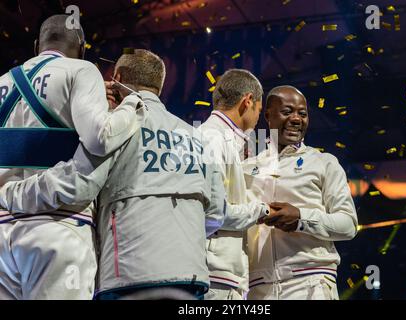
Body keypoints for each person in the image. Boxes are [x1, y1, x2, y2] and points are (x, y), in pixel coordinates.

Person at [0, 49, 226, 300]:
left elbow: (77, 184)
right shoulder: (198, 138)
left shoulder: (117, 126)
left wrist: (11, 193)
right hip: (190, 278)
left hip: (128, 277)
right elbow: (216, 213)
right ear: (159, 86)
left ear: (116, 76)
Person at [0, 15, 140, 300]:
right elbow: (100, 138)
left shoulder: (1, 82)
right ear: (83, 47)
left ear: (37, 44)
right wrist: (132, 106)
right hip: (57, 227)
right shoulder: (82, 70)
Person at [242, 85, 358, 300]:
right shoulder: (246, 166)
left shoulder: (324, 162)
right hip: (258, 288)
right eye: (287, 112)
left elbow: (348, 225)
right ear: (268, 115)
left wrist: (301, 218)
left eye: (302, 114)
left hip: (310, 282)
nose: (296, 119)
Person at [199, 69, 270, 300]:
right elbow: (213, 212)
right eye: (259, 109)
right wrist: (261, 210)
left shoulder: (216, 137)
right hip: (216, 277)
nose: (259, 117)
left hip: (218, 275)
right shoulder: (213, 138)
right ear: (248, 101)